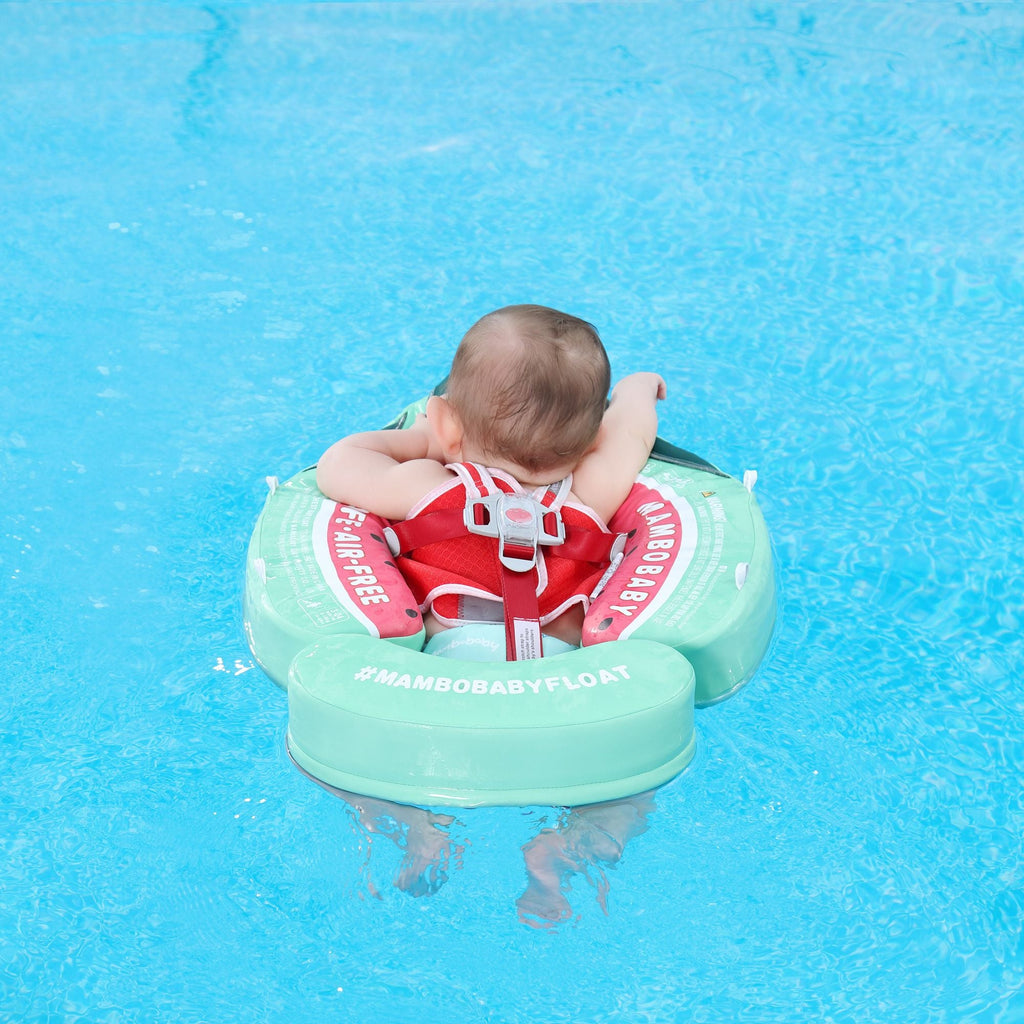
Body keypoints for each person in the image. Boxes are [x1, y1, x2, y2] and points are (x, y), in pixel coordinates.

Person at [316, 304, 665, 655]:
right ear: (593, 441)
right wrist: (636, 389)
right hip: (558, 664)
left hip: (448, 656)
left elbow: (337, 463)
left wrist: (422, 441)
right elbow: (630, 434)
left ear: (446, 425)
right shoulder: (590, 495)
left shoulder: (427, 487)